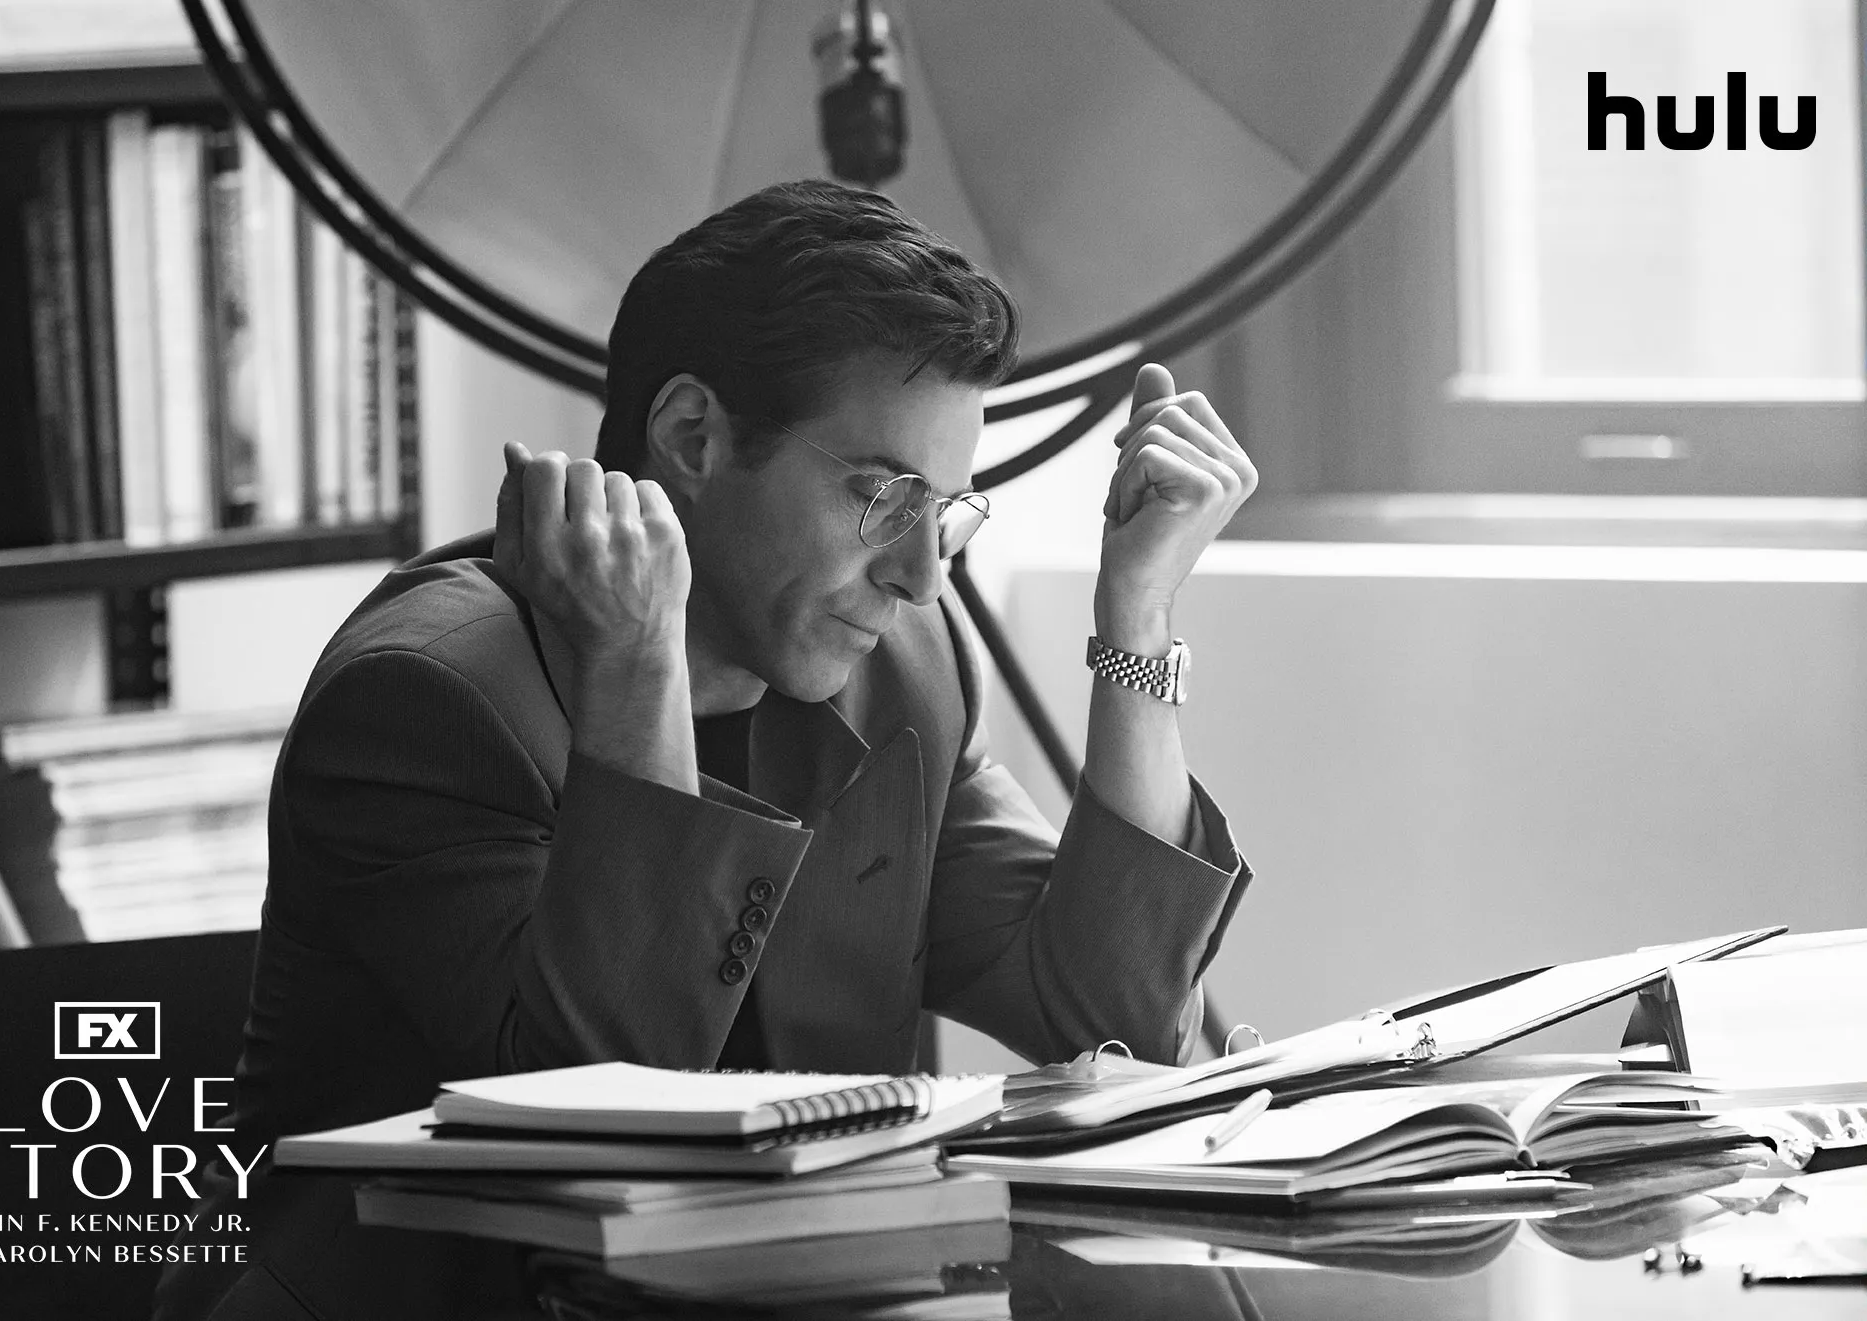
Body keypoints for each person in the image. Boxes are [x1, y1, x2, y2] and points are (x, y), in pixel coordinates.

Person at [157, 178, 1257, 1319]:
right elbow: (603, 1124)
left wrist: (1134, 618)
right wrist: (636, 667)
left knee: (1166, 1279)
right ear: (693, 435)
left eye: (950, 509)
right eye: (884, 495)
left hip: (800, 1289)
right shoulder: (425, 699)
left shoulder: (903, 669)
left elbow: (1110, 1025)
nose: (922, 574)